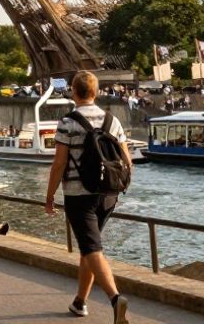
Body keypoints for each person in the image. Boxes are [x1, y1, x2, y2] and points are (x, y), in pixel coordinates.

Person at [45, 70, 132, 323]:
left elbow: (59, 164)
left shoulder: (68, 122)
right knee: (88, 247)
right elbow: (126, 160)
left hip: (78, 194)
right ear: (95, 92)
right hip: (108, 193)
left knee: (91, 247)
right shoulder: (112, 121)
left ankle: (115, 298)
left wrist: (50, 196)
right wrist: (121, 185)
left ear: (73, 91)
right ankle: (80, 302)